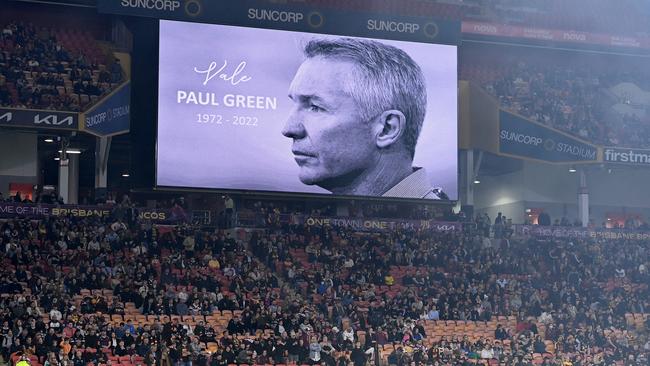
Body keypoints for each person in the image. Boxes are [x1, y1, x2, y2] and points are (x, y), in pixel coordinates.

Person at [282, 37, 445, 199]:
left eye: (315, 107)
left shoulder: (430, 223)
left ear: (387, 129)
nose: (288, 129)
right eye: (294, 103)